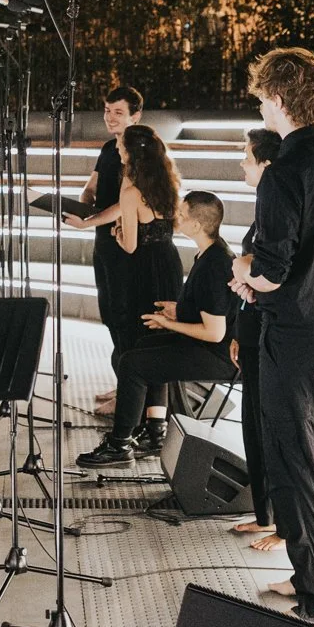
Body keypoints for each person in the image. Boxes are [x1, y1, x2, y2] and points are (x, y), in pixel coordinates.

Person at [229, 48, 314, 627]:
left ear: (280, 99)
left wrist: (241, 271)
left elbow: (271, 269)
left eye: (263, 95)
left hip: (298, 336)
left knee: (301, 467)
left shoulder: (283, 170)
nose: (260, 104)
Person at [76, 122, 184, 465]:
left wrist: (119, 231)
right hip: (168, 265)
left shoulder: (131, 190)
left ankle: (122, 438)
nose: (118, 151)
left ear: (131, 154)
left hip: (141, 272)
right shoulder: (167, 183)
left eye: (122, 147)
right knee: (158, 341)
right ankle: (156, 429)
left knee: (136, 347)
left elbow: (131, 246)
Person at [105, 191, 237, 446]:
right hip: (208, 347)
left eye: (182, 215)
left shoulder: (214, 265)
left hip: (219, 356)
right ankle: (155, 429)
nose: (175, 217)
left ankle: (119, 443)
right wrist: (178, 310)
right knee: (141, 346)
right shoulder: (210, 253)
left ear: (196, 226)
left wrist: (169, 323)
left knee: (132, 363)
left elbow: (214, 333)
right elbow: (210, 307)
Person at [71, 85, 145, 418]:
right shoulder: (107, 148)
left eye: (118, 112)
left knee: (126, 316)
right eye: (107, 110)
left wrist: (89, 221)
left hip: (124, 241)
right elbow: (93, 187)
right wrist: (81, 204)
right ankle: (123, 383)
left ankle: (130, 394)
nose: (110, 118)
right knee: (111, 314)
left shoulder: (140, 149)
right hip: (103, 240)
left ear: (135, 116)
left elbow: (128, 202)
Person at [228, 128, 284, 550]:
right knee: (252, 426)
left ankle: (282, 522)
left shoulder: (278, 205)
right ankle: (265, 513)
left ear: (266, 163)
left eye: (247, 157)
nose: (242, 164)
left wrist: (245, 271)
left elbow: (271, 270)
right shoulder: (263, 205)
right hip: (251, 325)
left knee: (270, 428)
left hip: (271, 329)